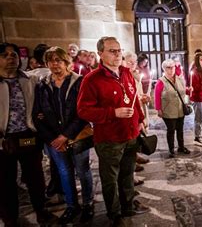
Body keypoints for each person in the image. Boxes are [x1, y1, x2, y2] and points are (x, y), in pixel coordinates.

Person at [77, 37, 150, 226]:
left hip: (131, 134)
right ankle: (114, 213)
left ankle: (128, 205)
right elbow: (83, 110)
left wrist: (141, 119)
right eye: (112, 51)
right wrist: (113, 112)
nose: (117, 54)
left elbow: (133, 97)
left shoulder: (126, 73)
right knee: (110, 178)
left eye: (119, 50)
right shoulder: (92, 79)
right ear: (100, 53)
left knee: (127, 173)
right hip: (109, 139)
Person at [33, 46, 94, 224]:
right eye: (50, 61)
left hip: (77, 135)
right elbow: (37, 114)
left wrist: (65, 136)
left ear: (66, 62)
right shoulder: (42, 84)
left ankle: (88, 204)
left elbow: (82, 113)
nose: (54, 64)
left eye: (58, 60)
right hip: (54, 139)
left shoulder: (79, 82)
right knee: (64, 172)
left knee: (83, 171)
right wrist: (53, 138)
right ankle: (71, 205)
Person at [0, 43, 54, 226]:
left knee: (36, 178)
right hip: (4, 140)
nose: (10, 59)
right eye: (5, 55)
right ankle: (10, 218)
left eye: (13, 55)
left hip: (27, 135)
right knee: (5, 182)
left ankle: (41, 210)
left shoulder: (29, 80)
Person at [154, 59, 191, 158]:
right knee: (171, 130)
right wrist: (158, 109)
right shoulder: (161, 82)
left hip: (180, 109)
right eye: (168, 68)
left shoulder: (179, 79)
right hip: (168, 110)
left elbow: (183, 91)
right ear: (164, 69)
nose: (171, 69)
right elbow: (157, 96)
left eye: (173, 67)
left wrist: (188, 90)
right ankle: (171, 149)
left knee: (180, 130)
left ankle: (181, 147)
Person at [123, 51, 151, 173]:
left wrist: (144, 97)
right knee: (132, 138)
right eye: (130, 62)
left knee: (138, 135)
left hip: (139, 107)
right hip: (130, 111)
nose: (133, 65)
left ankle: (135, 157)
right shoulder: (124, 76)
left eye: (134, 62)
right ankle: (131, 165)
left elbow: (138, 91)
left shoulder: (135, 74)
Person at [189, 53, 202, 144]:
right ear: (197, 60)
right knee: (198, 118)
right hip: (197, 98)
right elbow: (195, 86)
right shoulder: (195, 71)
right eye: (201, 60)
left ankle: (199, 133)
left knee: (201, 117)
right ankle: (197, 136)